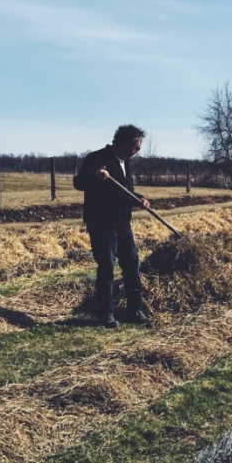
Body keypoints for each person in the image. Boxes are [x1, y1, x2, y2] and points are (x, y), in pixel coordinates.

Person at [73, 124, 151, 328]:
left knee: (132, 265)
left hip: (123, 222)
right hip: (102, 223)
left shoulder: (127, 163)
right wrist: (95, 176)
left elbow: (127, 191)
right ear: (125, 143)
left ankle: (135, 310)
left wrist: (139, 199)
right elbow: (78, 182)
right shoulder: (97, 158)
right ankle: (105, 314)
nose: (137, 152)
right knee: (107, 267)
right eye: (136, 148)